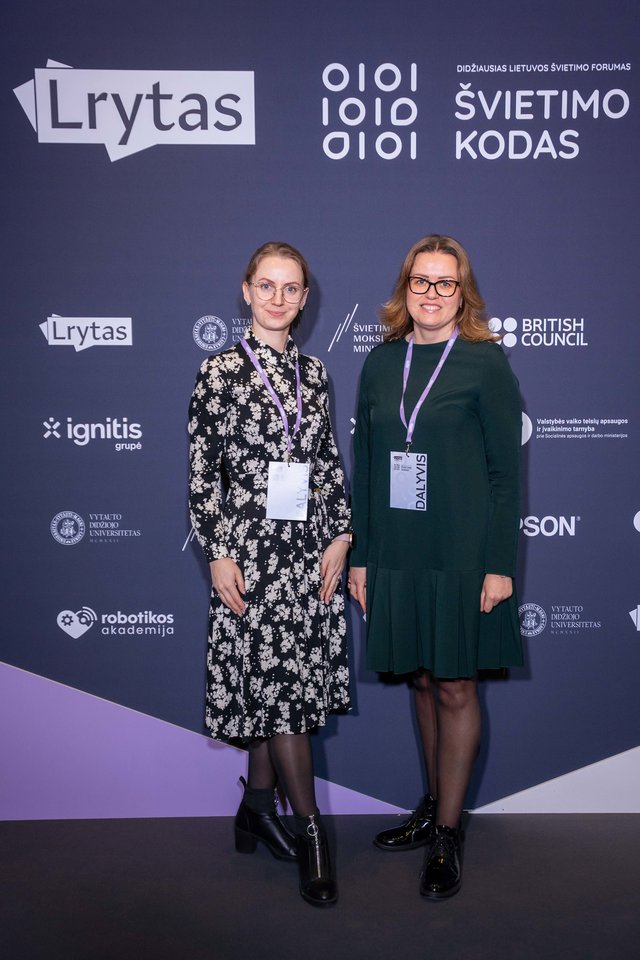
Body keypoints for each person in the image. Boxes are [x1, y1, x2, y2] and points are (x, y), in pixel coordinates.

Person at [349, 234, 522, 900]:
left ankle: (449, 831)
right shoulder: (379, 362)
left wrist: (498, 566)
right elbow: (368, 468)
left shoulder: (485, 363)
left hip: (460, 552)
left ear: (462, 293)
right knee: (421, 680)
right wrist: (362, 557)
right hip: (397, 550)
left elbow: (505, 476)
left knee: (455, 685)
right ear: (405, 289)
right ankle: (431, 806)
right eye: (420, 281)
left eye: (445, 283)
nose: (431, 293)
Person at [188, 241, 351, 907]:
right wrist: (217, 550)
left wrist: (341, 532)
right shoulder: (220, 371)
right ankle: (312, 833)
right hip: (250, 555)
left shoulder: (315, 374)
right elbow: (204, 473)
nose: (278, 298)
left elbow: (327, 461)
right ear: (246, 290)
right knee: (279, 693)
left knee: (279, 688)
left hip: (306, 554)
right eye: (267, 286)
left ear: (304, 298)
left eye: (290, 288)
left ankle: (256, 807)